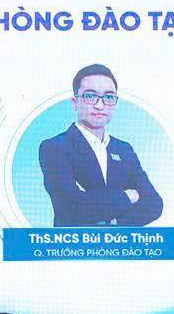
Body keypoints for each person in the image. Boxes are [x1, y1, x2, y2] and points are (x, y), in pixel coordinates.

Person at [36, 65, 163, 227]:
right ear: (74, 103)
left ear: (115, 103)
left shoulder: (124, 150)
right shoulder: (55, 147)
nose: (100, 105)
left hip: (120, 241)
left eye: (108, 97)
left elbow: (154, 204)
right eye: (90, 96)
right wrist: (128, 196)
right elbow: (70, 208)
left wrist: (114, 222)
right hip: (74, 241)